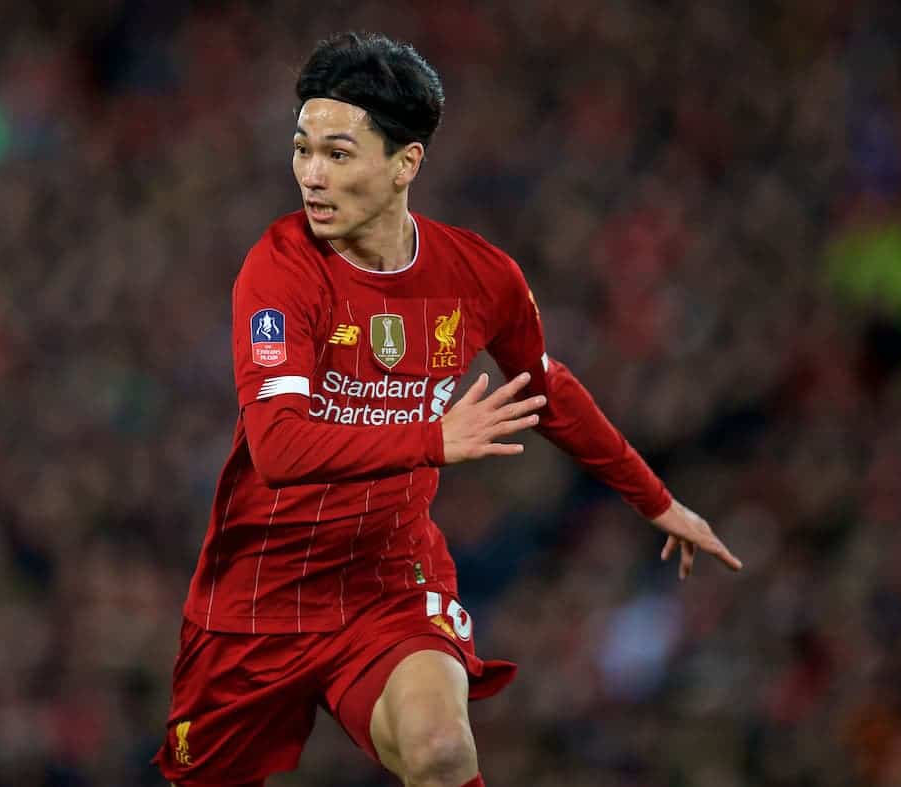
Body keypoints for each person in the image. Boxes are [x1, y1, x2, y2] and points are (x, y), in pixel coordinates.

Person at [155, 32, 742, 787]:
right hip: (255, 600)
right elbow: (278, 447)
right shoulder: (279, 269)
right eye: (302, 149)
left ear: (406, 164)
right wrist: (432, 437)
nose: (310, 175)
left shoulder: (480, 275)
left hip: (388, 586)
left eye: (337, 153)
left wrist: (655, 499)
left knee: (441, 751)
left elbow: (545, 386)